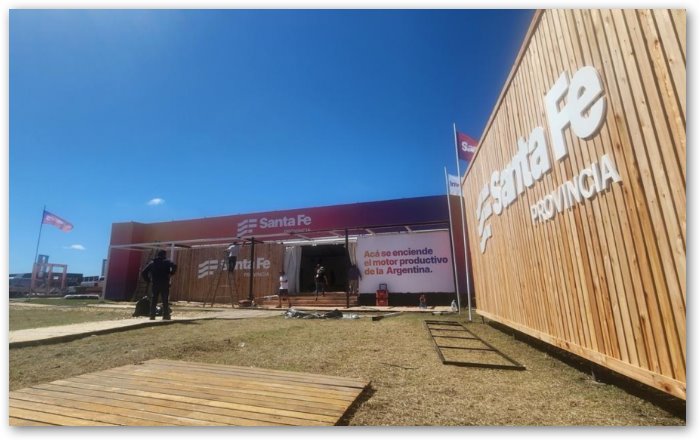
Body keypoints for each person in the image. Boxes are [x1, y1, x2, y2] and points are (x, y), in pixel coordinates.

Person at [141, 250, 177, 320]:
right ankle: (166, 315)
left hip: (155, 283)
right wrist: (171, 273)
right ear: (164, 255)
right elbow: (174, 266)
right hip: (164, 283)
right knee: (165, 300)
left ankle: (152, 315)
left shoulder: (152, 263)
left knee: (154, 299)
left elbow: (143, 272)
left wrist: (148, 280)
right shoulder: (167, 262)